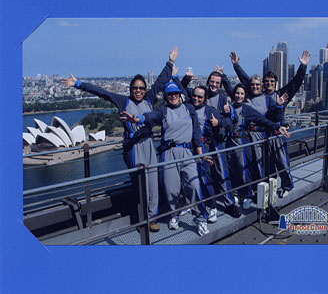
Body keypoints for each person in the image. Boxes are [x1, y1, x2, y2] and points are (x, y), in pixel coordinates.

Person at [61, 47, 179, 233]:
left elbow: (160, 81)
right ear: (131, 89)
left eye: (141, 88)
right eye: (135, 88)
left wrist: (170, 62)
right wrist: (78, 84)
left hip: (148, 143)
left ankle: (152, 218)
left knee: (153, 183)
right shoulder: (123, 101)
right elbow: (102, 92)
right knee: (139, 185)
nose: (139, 91)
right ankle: (141, 219)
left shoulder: (149, 99)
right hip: (133, 147)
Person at [121, 75, 210, 236]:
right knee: (171, 189)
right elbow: (150, 116)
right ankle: (174, 215)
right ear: (166, 96)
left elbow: (196, 133)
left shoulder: (188, 108)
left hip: (186, 153)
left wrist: (201, 155)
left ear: (179, 94)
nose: (173, 96)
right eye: (170, 94)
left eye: (176, 93)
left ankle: (200, 219)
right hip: (168, 154)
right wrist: (137, 118)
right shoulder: (163, 111)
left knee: (194, 186)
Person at [230, 50, 310, 197]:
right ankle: (265, 189)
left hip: (276, 132)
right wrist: (236, 66)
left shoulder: (280, 94)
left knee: (281, 160)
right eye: (266, 82)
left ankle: (287, 185)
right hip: (261, 134)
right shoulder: (258, 93)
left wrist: (303, 66)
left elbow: (295, 84)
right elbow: (247, 81)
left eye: (271, 82)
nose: (268, 84)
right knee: (263, 163)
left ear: (275, 83)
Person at [223, 84, 290, 210]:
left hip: (242, 141)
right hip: (229, 141)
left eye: (242, 94)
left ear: (245, 96)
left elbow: (261, 120)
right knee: (231, 169)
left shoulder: (246, 109)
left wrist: (277, 127)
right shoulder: (228, 107)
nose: (239, 96)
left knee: (244, 168)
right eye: (237, 93)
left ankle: (247, 195)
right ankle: (237, 193)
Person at [185, 85, 241, 219]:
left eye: (200, 97)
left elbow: (232, 120)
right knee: (204, 176)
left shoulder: (210, 110)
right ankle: (211, 205)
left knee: (222, 173)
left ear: (204, 99)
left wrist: (219, 123)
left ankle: (229, 203)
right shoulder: (186, 108)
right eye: (195, 96)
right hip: (197, 148)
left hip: (212, 144)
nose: (196, 99)